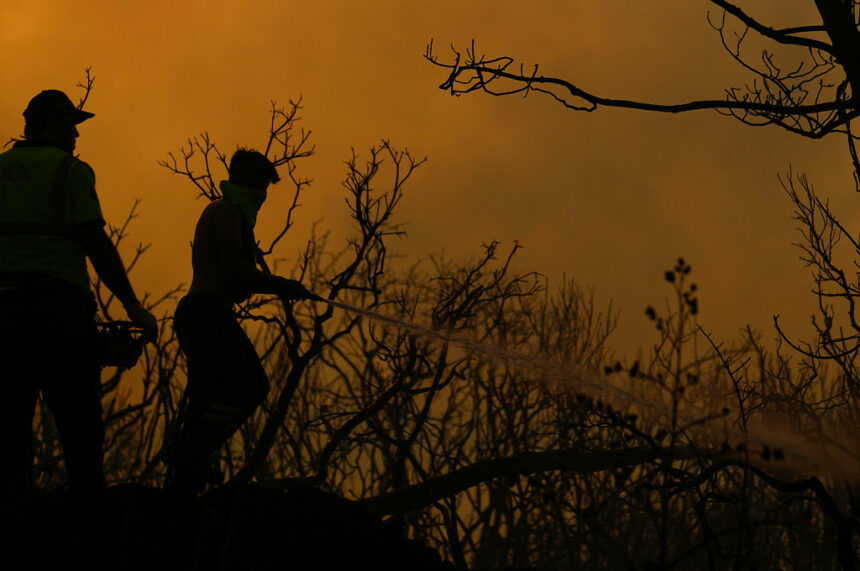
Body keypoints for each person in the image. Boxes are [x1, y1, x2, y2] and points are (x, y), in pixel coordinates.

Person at [0, 89, 158, 494]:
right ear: (53, 125)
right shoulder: (70, 170)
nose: (75, 134)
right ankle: (86, 528)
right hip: (58, 314)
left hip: (3, 316)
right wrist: (132, 304)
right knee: (80, 429)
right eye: (71, 124)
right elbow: (95, 242)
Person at [166, 148, 313, 492]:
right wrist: (281, 285)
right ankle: (187, 452)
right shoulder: (227, 211)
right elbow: (234, 271)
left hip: (202, 313)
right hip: (206, 313)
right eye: (261, 188)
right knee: (252, 386)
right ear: (247, 183)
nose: (262, 198)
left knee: (206, 399)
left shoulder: (230, 213)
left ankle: (184, 485)